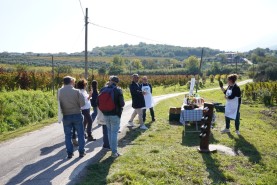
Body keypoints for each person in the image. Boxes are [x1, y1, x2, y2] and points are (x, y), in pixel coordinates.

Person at [58, 76, 86, 158]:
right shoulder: (77, 91)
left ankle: (69, 153)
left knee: (67, 135)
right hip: (77, 114)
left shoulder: (59, 91)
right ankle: (81, 152)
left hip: (66, 115)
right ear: (71, 82)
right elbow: (83, 104)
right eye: (73, 82)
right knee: (80, 134)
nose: (74, 83)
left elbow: (59, 103)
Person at [98, 76, 125, 157]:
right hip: (115, 114)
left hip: (106, 114)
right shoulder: (118, 90)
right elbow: (122, 103)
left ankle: (111, 148)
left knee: (109, 132)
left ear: (110, 81)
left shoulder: (103, 89)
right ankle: (114, 152)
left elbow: (98, 102)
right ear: (117, 82)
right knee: (114, 133)